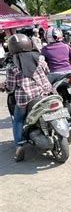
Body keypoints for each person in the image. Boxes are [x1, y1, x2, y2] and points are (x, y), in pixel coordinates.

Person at [0, 34, 52, 162]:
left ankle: (19, 145)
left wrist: (5, 87)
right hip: (46, 94)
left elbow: (11, 88)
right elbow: (47, 71)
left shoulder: (13, 68)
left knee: (17, 120)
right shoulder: (40, 59)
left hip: (25, 99)